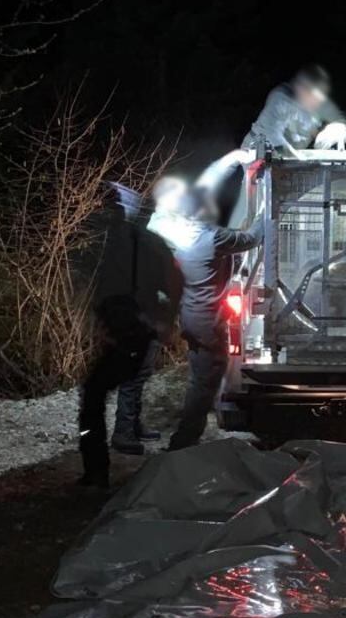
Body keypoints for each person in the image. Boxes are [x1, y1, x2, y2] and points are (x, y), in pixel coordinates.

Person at [148, 150, 263, 450]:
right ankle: (185, 441)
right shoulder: (211, 238)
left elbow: (201, 190)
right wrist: (269, 207)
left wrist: (231, 160)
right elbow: (251, 238)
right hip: (207, 321)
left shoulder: (172, 231)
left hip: (190, 316)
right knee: (206, 379)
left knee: (201, 376)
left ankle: (191, 434)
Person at [78, 183, 182, 488]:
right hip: (139, 329)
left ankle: (99, 466)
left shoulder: (107, 243)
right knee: (124, 382)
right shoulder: (151, 243)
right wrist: (166, 322)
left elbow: (97, 287)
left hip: (127, 331)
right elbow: (175, 284)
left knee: (95, 394)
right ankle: (121, 437)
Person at [242, 64, 346, 155]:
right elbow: (275, 139)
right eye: (309, 96)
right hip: (257, 151)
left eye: (318, 99)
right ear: (299, 88)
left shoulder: (320, 101)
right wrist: (301, 160)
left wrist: (338, 130)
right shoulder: (280, 99)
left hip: (294, 156)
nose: (314, 104)